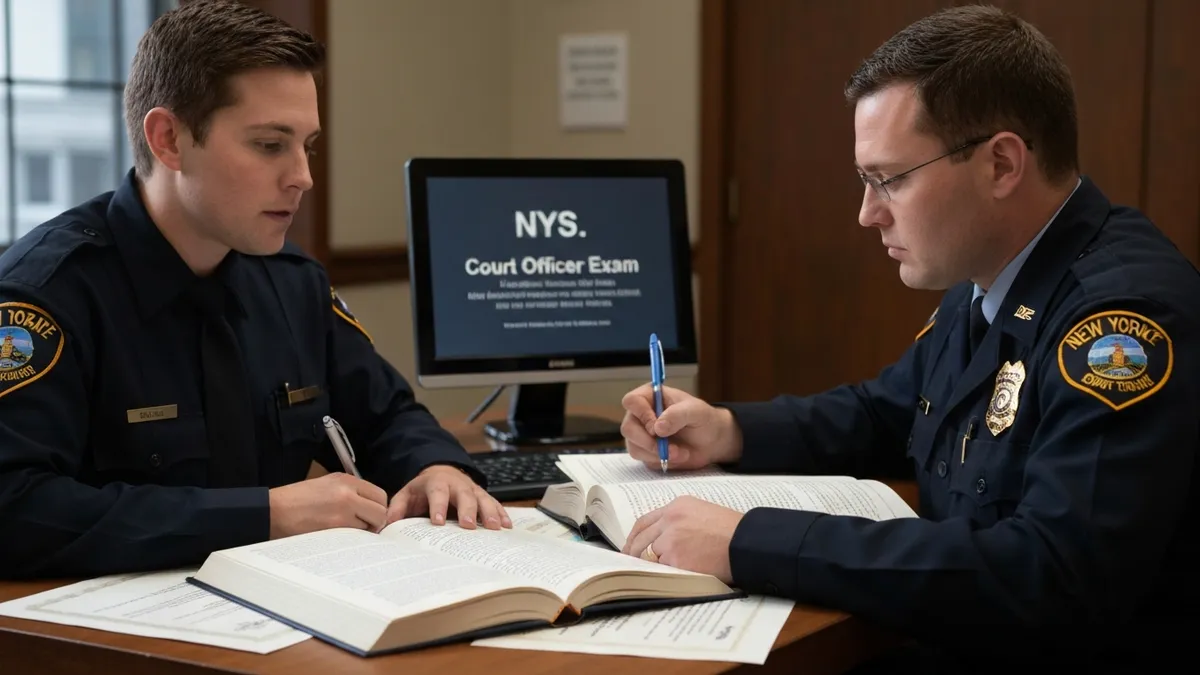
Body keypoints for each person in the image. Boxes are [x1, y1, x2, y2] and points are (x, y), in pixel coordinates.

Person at [618, 5, 1198, 672]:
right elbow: (888, 410)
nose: (868, 213)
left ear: (1002, 164)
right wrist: (727, 429)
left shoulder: (1119, 323)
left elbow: (1052, 575)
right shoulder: (987, 279)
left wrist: (753, 540)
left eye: (888, 179)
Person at [0, 0, 510, 580]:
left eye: (308, 146)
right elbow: (13, 505)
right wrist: (261, 514)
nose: (303, 176)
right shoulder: (48, 295)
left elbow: (387, 414)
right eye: (270, 145)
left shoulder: (292, 283)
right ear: (168, 139)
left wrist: (436, 466)